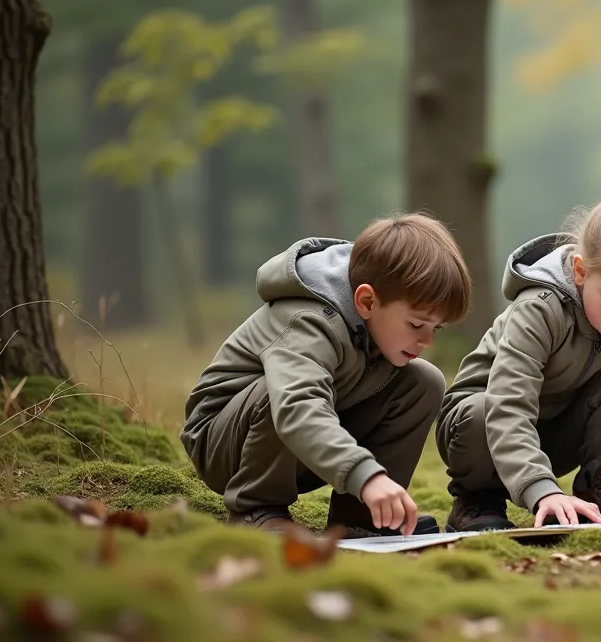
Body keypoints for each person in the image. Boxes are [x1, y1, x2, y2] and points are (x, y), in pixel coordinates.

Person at [437, 168, 601, 532]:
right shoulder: (539, 309)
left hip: (554, 434)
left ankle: (600, 486)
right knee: (483, 410)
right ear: (581, 271)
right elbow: (508, 405)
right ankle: (476, 499)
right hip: (479, 430)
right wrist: (543, 491)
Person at [180, 213, 471, 536]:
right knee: (279, 390)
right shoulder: (309, 321)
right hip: (225, 446)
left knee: (424, 382)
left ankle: (363, 518)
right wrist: (367, 475)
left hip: (299, 446)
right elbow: (297, 406)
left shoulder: (376, 325)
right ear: (366, 300)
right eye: (417, 325)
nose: (427, 341)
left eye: (437, 328)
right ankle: (255, 509)